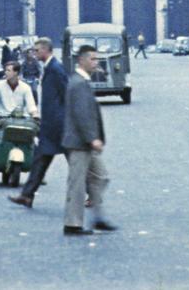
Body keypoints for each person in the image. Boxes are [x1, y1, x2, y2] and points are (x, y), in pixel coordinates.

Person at [62, 45, 115, 235]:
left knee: (100, 177)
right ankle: (72, 224)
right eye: (92, 59)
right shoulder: (78, 83)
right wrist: (93, 138)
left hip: (84, 142)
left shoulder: (81, 82)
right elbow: (82, 115)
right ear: (81, 60)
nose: (96, 62)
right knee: (76, 184)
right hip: (79, 142)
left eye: (97, 59)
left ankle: (97, 216)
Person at [10, 38, 65, 209]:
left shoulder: (55, 68)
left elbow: (66, 93)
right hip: (51, 126)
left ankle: (93, 191)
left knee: (76, 161)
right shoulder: (49, 67)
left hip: (59, 126)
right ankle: (27, 195)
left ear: (45, 50)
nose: (34, 53)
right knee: (40, 160)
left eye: (36, 50)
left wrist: (62, 120)